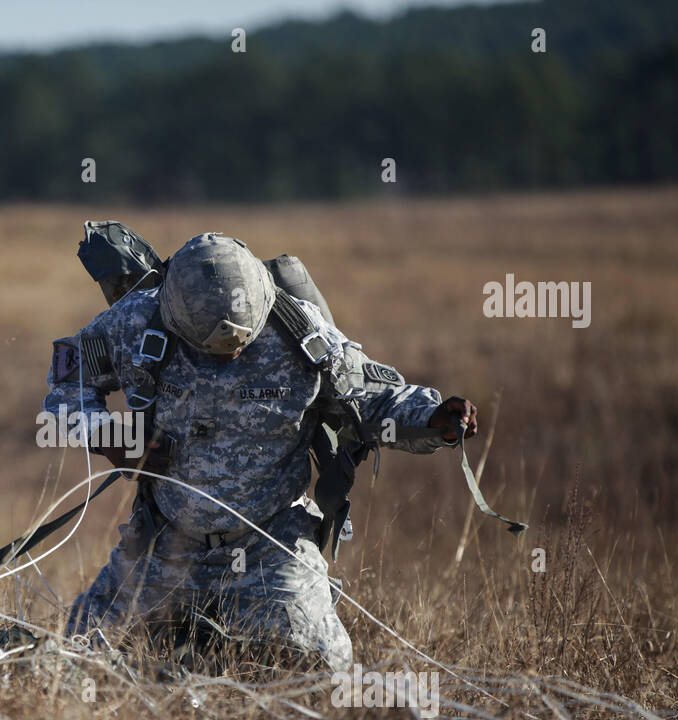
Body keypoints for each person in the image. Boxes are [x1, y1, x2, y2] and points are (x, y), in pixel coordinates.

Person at [43, 232, 476, 670]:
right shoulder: (134, 319)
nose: (229, 355)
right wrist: (111, 439)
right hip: (164, 542)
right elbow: (66, 386)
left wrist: (432, 418)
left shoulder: (301, 332)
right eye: (209, 347)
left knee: (323, 674)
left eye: (240, 343)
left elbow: (375, 400)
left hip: (271, 545)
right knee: (72, 659)